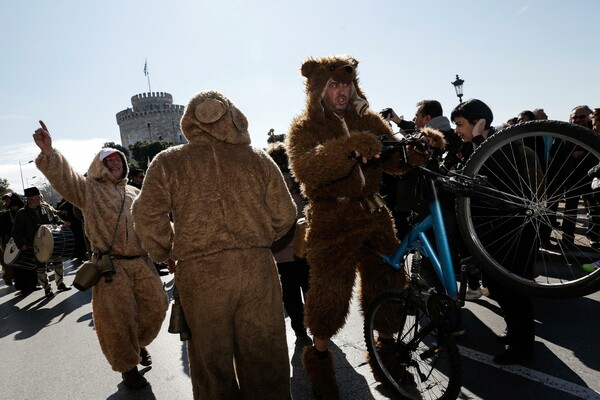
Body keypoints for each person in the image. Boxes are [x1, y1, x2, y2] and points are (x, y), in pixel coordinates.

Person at [286, 55, 444, 398]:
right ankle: (321, 361)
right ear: (318, 90)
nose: (343, 92)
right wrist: (348, 147)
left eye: (347, 84)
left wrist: (421, 148)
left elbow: (396, 163)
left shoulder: (368, 119)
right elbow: (305, 169)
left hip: (374, 214)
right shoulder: (304, 128)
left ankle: (387, 357)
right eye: (335, 86)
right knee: (329, 296)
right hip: (331, 219)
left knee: (389, 285)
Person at [132, 90, 297, 400]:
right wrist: (259, 239)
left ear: (189, 121)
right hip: (256, 270)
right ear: (234, 117)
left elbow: (145, 215)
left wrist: (167, 249)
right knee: (265, 358)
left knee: (213, 365)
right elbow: (286, 213)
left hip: (201, 275)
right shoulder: (258, 159)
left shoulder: (169, 161)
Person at [32, 121, 168, 389]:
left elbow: (154, 223)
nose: (115, 164)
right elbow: (66, 179)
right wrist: (49, 153)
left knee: (157, 306)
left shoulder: (135, 193)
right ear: (99, 165)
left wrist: (169, 251)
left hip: (142, 263)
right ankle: (128, 368)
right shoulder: (89, 190)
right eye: (109, 160)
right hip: (110, 268)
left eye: (118, 160)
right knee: (117, 320)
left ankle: (138, 344)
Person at [451, 99, 539, 364]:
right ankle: (515, 333)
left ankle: (523, 348)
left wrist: (477, 141)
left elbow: (491, 179)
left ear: (479, 123)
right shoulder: (476, 147)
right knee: (500, 289)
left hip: (511, 232)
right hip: (492, 232)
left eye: (460, 124)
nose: (457, 129)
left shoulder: (501, 146)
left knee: (514, 291)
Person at [267, 142, 311, 345]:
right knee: (310, 287)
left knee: (290, 293)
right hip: (306, 245)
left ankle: (300, 331)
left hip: (282, 252)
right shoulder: (301, 182)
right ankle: (316, 324)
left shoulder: (269, 186)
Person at [11, 186, 70, 298]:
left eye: (39, 197)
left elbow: (55, 219)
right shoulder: (22, 213)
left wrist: (62, 223)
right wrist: (22, 244)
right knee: (41, 267)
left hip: (51, 241)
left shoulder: (45, 208)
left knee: (58, 262)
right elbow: (16, 232)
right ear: (29, 199)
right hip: (35, 244)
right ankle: (47, 288)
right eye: (36, 197)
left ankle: (60, 283)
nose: (39, 199)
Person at [0, 192, 30, 288]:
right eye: (6, 200)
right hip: (12, 243)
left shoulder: (24, 212)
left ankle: (31, 284)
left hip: (26, 241)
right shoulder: (5, 215)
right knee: (17, 265)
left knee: (28, 262)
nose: (7, 201)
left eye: (8, 199)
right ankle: (21, 286)